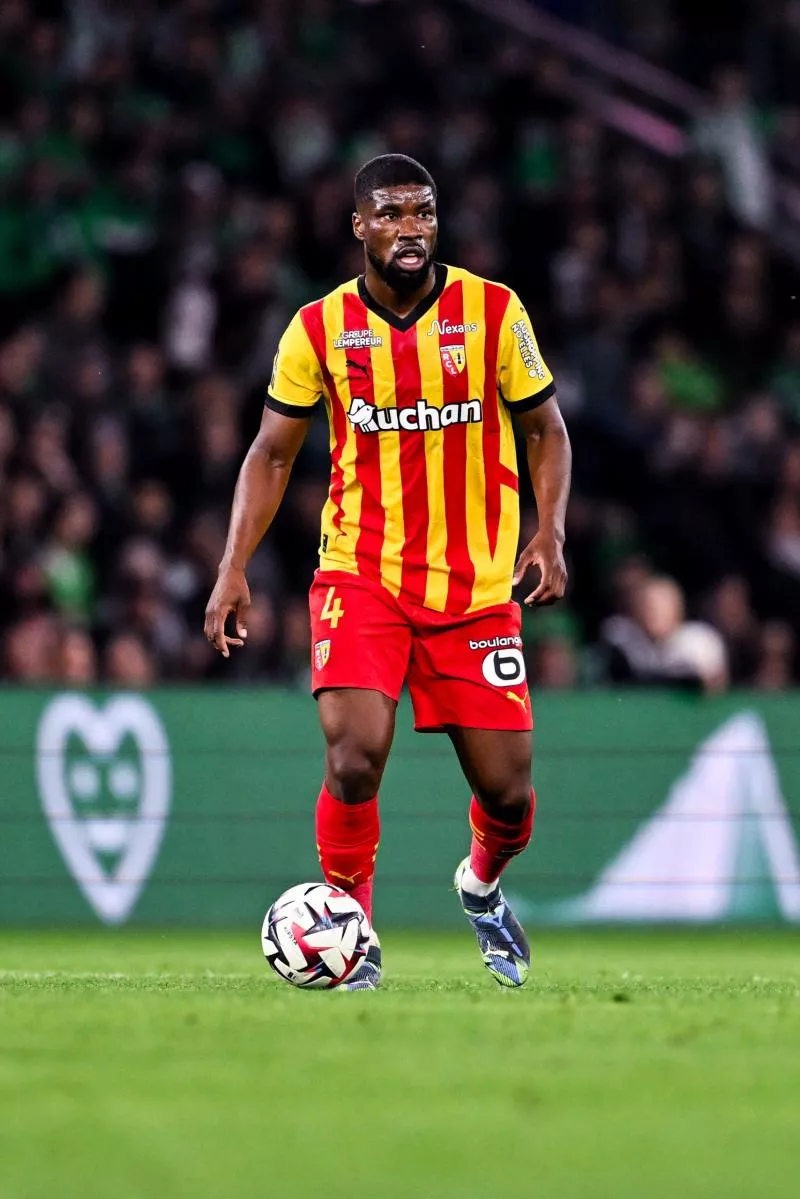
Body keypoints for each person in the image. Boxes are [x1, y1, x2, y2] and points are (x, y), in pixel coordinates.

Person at [204, 155, 571, 990]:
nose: (412, 228)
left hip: (476, 590)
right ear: (360, 226)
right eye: (393, 213)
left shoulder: (493, 310)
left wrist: (547, 532)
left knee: (509, 795)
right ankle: (352, 931)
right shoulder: (317, 328)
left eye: (424, 212)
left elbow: (546, 429)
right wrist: (233, 564)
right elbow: (270, 453)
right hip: (360, 575)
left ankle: (479, 885)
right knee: (354, 756)